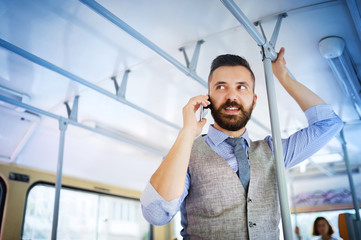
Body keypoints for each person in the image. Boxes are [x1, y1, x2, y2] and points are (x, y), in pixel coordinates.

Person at [140, 47, 343, 239]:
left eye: (241, 87)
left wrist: (284, 77)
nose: (231, 96)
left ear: (254, 101)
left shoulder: (274, 152)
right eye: (221, 87)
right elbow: (156, 215)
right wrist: (187, 133)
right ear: (207, 99)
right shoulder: (185, 154)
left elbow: (328, 123)